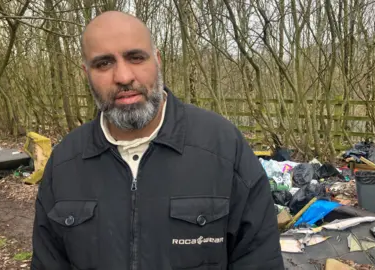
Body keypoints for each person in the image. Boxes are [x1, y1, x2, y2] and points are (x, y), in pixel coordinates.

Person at [30, 10, 284, 270]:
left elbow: (259, 259)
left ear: (158, 60)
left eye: (136, 57)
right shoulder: (64, 164)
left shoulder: (223, 147)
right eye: (104, 63)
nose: (124, 77)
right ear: (86, 73)